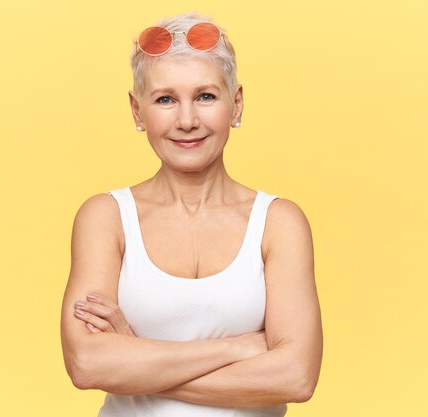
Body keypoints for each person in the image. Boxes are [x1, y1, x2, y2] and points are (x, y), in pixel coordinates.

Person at [60, 11, 323, 416]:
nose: (187, 121)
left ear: (235, 104)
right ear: (137, 110)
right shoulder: (106, 218)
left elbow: (295, 377)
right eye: (165, 99)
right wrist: (238, 347)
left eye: (206, 96)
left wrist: (135, 360)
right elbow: (87, 364)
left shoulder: (279, 223)